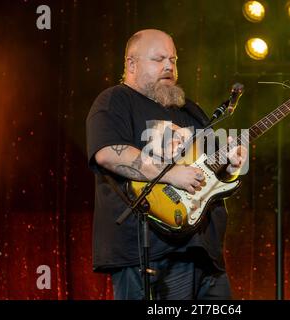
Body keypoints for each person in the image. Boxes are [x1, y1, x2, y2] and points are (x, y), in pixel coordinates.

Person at [86, 29, 247, 300]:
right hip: (150, 251)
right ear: (132, 64)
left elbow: (210, 173)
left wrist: (231, 167)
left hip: (204, 252)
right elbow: (108, 153)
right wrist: (171, 174)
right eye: (159, 59)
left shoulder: (190, 110)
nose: (169, 66)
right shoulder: (115, 100)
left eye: (173, 60)